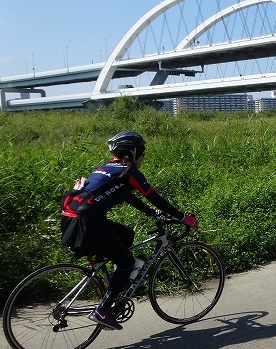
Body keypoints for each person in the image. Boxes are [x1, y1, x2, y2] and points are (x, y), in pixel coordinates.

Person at [60, 131, 198, 330]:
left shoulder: (107, 167)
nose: (143, 158)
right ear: (134, 153)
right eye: (143, 154)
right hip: (88, 223)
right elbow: (153, 196)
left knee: (127, 234)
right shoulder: (130, 172)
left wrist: (152, 213)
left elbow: (126, 196)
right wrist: (183, 217)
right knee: (127, 262)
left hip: (72, 219)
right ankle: (103, 310)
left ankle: (117, 284)